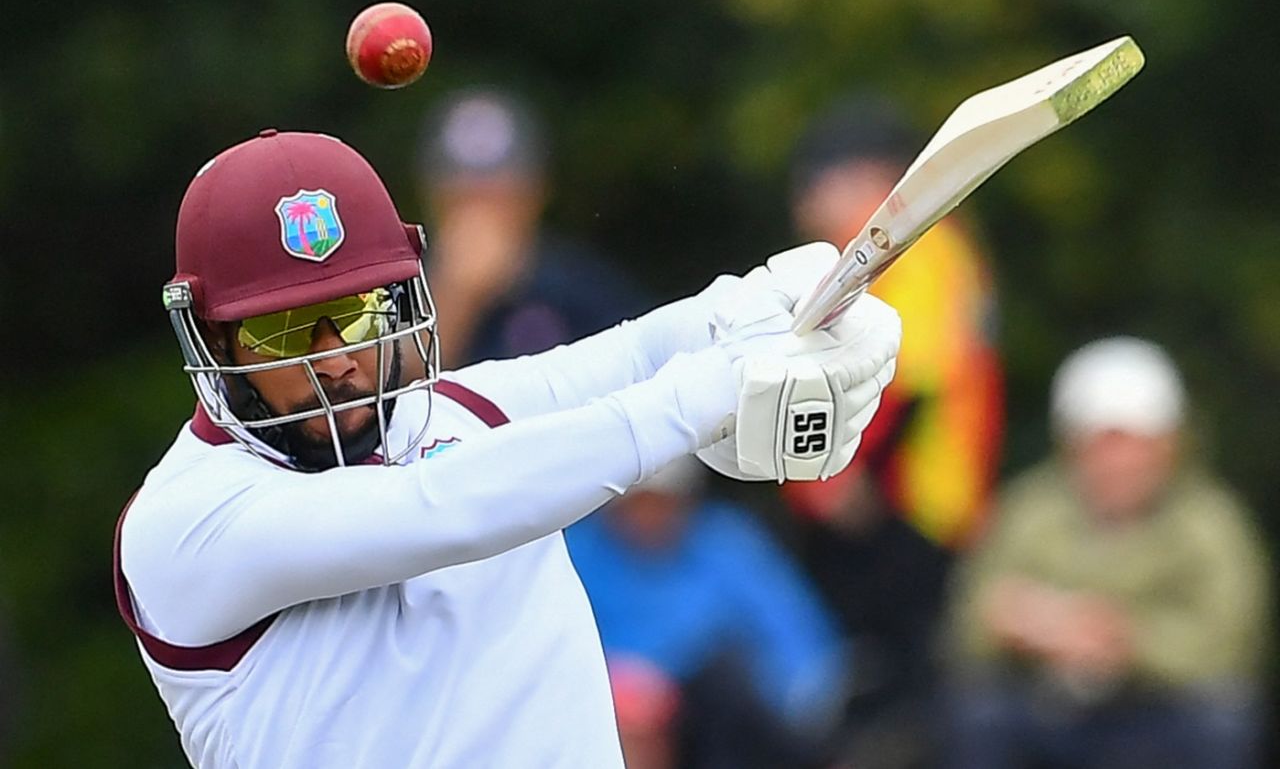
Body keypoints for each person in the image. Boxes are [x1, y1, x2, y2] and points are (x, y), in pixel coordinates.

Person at [114, 128, 902, 768]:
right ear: (214, 341)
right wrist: (715, 387)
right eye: (281, 330)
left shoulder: (456, 414)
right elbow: (441, 508)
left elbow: (631, 353)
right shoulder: (184, 521)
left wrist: (757, 306)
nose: (332, 359)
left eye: (353, 315)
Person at [780, 97, 1004, 767]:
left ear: (867, 178)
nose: (804, 208)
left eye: (814, 186)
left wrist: (838, 467)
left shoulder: (920, 244)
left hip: (912, 502)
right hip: (919, 496)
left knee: (893, 698)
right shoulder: (923, 247)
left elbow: (912, 378)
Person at [944, 337, 1272, 769]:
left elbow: (1230, 642)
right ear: (1071, 445)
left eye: (1132, 443)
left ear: (1168, 446)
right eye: (1102, 443)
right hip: (1048, 710)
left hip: (1158, 715)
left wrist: (1125, 641)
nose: (1116, 462)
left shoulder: (1210, 525)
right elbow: (968, 623)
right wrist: (1024, 630)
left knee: (1223, 721)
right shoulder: (1029, 511)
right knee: (976, 710)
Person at [567, 457, 848, 769]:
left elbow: (795, 635)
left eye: (660, 502)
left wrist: (802, 711)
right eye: (636, 503)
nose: (647, 516)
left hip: (725, 721)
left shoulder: (727, 541)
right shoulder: (581, 551)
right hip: (620, 717)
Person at [418, 87, 648, 367]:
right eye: (462, 187)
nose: (481, 202)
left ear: (537, 191)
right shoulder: (398, 291)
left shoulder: (580, 289)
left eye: (498, 186)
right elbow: (391, 394)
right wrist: (456, 298)